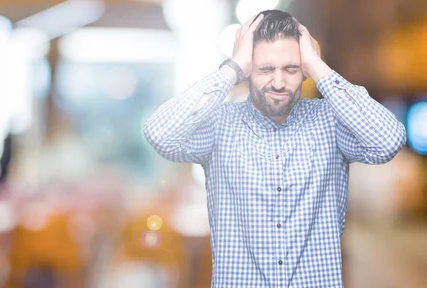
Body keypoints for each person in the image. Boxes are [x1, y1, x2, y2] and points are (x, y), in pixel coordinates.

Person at [143, 9, 406, 288]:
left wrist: (319, 67)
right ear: (247, 70)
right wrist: (231, 68)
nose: (278, 82)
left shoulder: (332, 121)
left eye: (291, 69)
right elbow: (160, 133)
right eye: (265, 69)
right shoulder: (220, 124)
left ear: (304, 70)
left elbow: (388, 141)